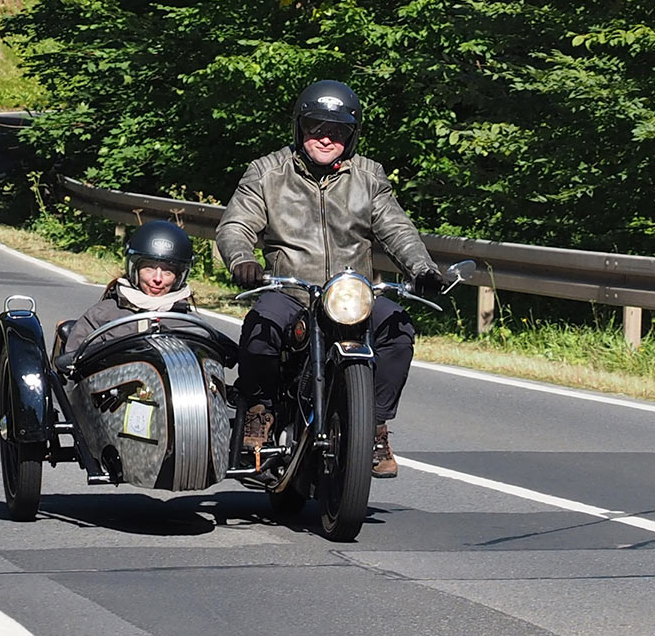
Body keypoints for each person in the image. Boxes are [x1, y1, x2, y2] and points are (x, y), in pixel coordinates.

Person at [215, 79, 443, 479]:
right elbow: (235, 225)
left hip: (351, 293)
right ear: (299, 128)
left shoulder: (369, 176)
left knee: (398, 329)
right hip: (289, 290)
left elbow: (397, 229)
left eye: (337, 131)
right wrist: (242, 260)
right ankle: (259, 410)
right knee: (260, 327)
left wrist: (421, 269)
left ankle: (374, 425)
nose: (325, 137)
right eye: (316, 127)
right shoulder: (267, 172)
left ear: (351, 136)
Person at [60, 220, 197, 364]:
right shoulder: (102, 315)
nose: (157, 279)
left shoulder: (191, 325)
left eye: (167, 272)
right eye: (149, 268)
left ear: (178, 277)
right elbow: (73, 366)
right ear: (135, 270)